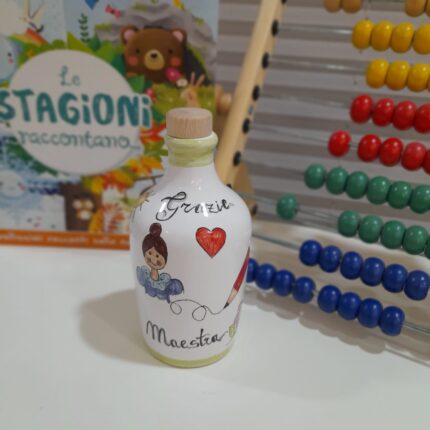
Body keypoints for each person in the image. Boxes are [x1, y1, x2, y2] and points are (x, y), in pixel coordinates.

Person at [136, 223, 184, 303]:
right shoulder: (144, 276)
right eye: (149, 253)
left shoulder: (166, 284)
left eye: (157, 256)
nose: (153, 260)